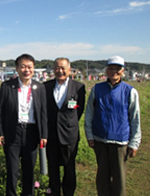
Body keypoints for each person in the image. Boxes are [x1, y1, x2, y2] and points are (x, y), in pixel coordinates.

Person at [84, 55, 141, 196]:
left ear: (123, 71)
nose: (114, 71)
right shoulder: (97, 89)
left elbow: (135, 119)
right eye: (111, 68)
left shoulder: (130, 91)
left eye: (118, 69)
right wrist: (89, 135)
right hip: (100, 139)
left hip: (120, 141)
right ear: (106, 71)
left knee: (119, 178)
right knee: (102, 177)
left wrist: (134, 143)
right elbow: (89, 113)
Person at [0, 54, 47, 196]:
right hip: (13, 132)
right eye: (23, 66)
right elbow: (1, 111)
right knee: (12, 170)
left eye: (30, 67)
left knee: (29, 169)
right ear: (17, 69)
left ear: (34, 69)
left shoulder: (40, 87)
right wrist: (0, 132)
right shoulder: (7, 86)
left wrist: (43, 135)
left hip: (32, 132)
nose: (27, 70)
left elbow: (43, 113)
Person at [43, 58, 86, 196]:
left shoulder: (78, 87)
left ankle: (68, 192)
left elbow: (79, 110)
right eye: (57, 68)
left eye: (63, 68)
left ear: (69, 69)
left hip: (69, 134)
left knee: (69, 167)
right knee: (53, 167)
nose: (60, 71)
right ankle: (54, 192)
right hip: (51, 134)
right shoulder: (46, 86)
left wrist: (68, 123)